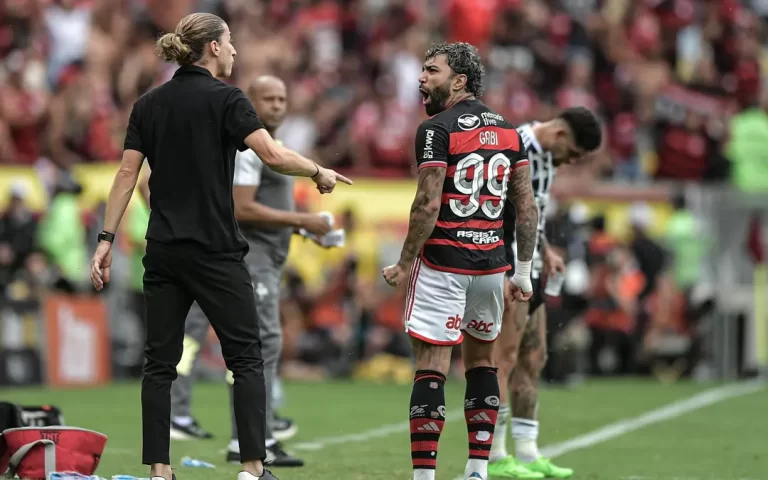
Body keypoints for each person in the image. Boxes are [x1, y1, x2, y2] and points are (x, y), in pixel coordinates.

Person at [88, 12, 351, 480]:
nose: (233, 51)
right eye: (229, 43)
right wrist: (317, 170)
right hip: (216, 251)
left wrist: (105, 240)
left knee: (159, 366)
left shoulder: (149, 103)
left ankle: (160, 472)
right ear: (211, 46)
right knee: (247, 358)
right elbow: (271, 154)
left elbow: (127, 175)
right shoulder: (227, 99)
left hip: (164, 252)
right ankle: (252, 469)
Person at [382, 42, 538, 480]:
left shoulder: (436, 129)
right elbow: (525, 208)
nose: (421, 78)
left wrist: (403, 262)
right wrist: (522, 272)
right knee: (482, 363)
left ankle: (425, 476)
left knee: (432, 364)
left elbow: (428, 204)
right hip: (491, 266)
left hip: (443, 262)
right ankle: (476, 471)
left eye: (431, 71)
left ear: (459, 81)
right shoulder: (509, 131)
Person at [167, 76, 330, 467]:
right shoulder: (249, 149)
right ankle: (249, 438)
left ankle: (257, 434)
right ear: (250, 103)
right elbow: (243, 208)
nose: (276, 105)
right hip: (250, 257)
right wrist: (302, 220)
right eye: (267, 99)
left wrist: (304, 230)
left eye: (281, 98)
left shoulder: (272, 147)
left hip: (266, 258)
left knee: (260, 345)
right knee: (256, 345)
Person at [487, 108, 602, 479]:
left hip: (533, 265)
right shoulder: (513, 144)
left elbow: (532, 211)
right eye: (575, 154)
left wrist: (547, 249)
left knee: (534, 357)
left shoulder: (548, 158)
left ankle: (528, 452)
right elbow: (496, 209)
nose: (571, 162)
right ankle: (495, 455)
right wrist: (504, 264)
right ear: (560, 135)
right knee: (502, 359)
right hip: (507, 265)